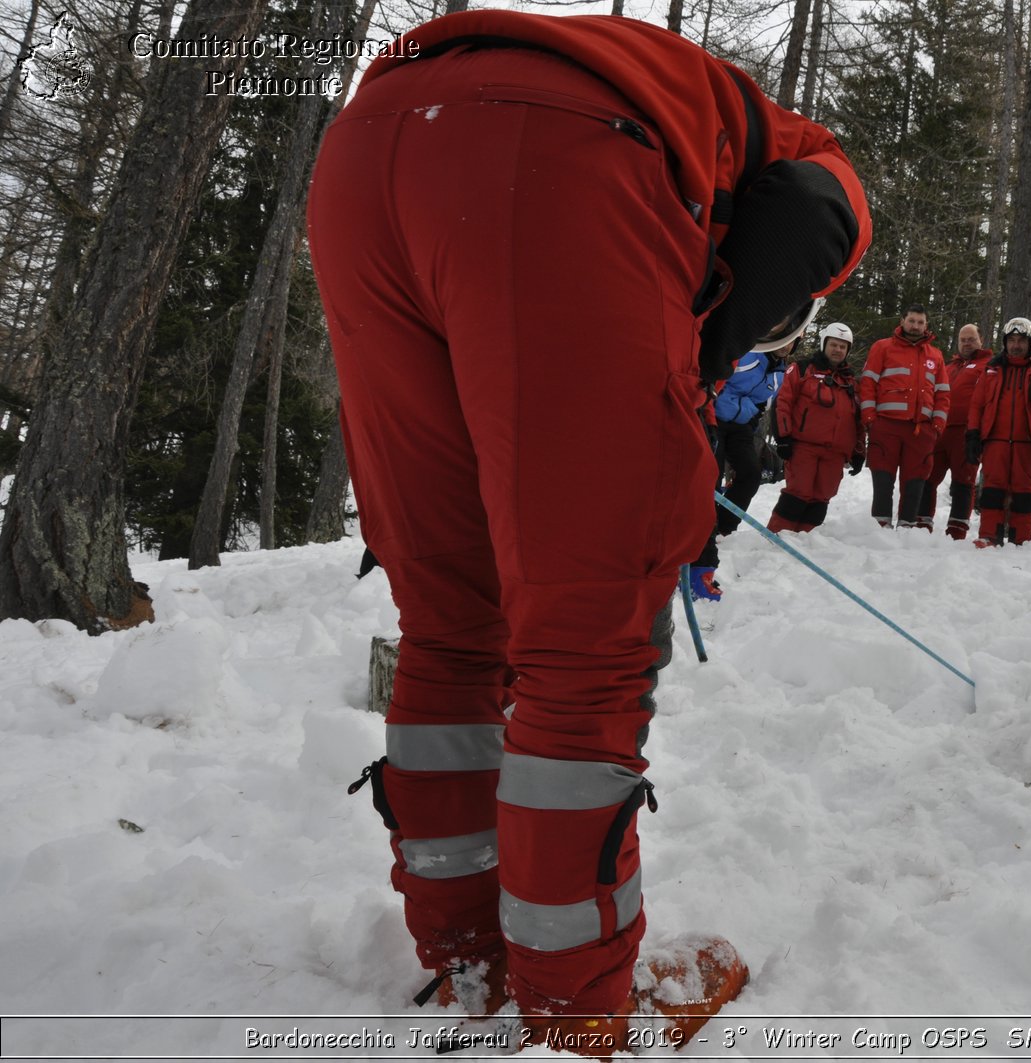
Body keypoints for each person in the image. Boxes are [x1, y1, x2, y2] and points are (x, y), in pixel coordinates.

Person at [305, 9, 870, 1051]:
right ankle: (577, 1003)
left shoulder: (684, 96)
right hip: (551, 162)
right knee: (581, 634)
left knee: (449, 614)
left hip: (362, 155)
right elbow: (808, 215)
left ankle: (467, 949)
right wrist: (699, 348)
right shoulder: (806, 159)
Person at [686, 340, 788, 599]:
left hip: (742, 426)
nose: (786, 347)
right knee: (712, 477)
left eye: (792, 342)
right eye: (784, 341)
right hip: (715, 418)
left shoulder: (780, 373)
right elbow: (717, 382)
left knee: (751, 474)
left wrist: (752, 417)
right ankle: (701, 547)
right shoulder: (747, 354)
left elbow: (763, 402)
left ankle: (722, 527)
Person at [767, 322, 865, 532]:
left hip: (836, 452)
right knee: (798, 492)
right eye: (834, 345)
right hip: (804, 446)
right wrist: (783, 438)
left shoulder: (851, 382)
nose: (838, 350)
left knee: (822, 496)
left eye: (843, 347)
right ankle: (777, 537)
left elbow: (858, 420)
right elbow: (782, 402)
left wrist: (858, 451)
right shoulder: (802, 369)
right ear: (824, 344)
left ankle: (805, 540)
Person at [859, 306, 950, 527]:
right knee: (883, 479)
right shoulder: (882, 348)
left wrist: (937, 425)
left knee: (914, 481)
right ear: (902, 321)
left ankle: (907, 527)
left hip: (920, 430)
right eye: (912, 321)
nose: (916, 326)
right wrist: (870, 417)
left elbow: (943, 393)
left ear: (926, 325)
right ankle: (880, 526)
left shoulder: (935, 355)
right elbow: (868, 382)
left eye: (920, 322)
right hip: (886, 426)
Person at [967, 318, 1031, 544]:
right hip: (995, 440)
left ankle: (1020, 540)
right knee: (992, 490)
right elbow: (977, 404)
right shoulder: (992, 368)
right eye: (1011, 340)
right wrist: (973, 434)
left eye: (1021, 340)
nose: (1016, 345)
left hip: (1028, 442)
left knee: (1024, 493)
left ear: (1030, 342)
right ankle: (988, 536)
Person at [919, 323, 991, 538]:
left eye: (971, 339)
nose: (967, 343)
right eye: (963, 339)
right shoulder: (949, 367)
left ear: (981, 340)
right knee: (928, 477)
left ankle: (957, 530)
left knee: (963, 481)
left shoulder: (988, 365)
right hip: (940, 431)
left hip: (967, 433)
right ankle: (921, 525)